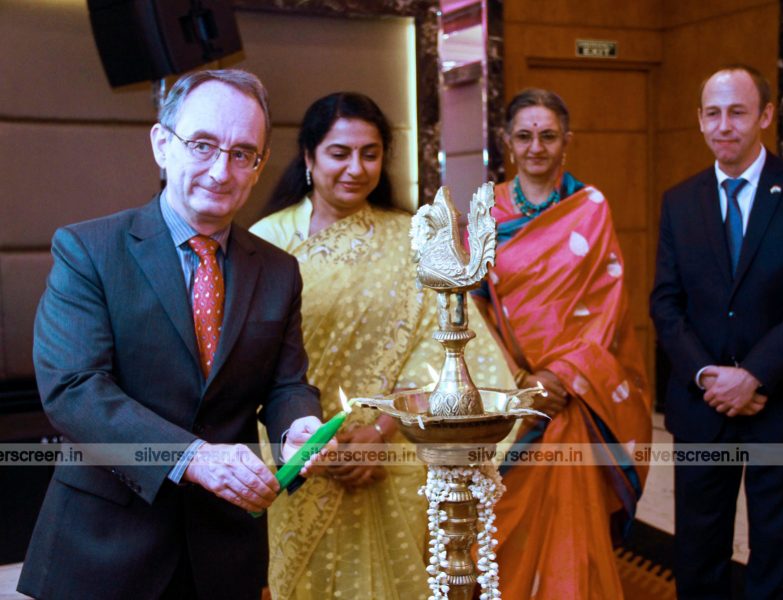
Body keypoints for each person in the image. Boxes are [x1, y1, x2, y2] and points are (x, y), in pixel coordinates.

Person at [18, 69, 323, 600]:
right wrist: (194, 457)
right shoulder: (89, 250)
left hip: (225, 550)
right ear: (162, 144)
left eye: (242, 153)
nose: (220, 170)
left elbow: (285, 384)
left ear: (259, 166)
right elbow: (74, 389)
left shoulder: (278, 270)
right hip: (105, 546)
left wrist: (297, 427)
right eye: (202, 145)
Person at [249, 92, 514, 600]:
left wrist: (383, 431)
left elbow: (451, 349)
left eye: (369, 153)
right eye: (339, 153)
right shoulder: (265, 242)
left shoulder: (413, 242)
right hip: (293, 457)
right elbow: (246, 363)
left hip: (392, 457)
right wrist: (305, 443)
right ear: (308, 157)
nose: (355, 168)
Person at [650, 65, 783, 599]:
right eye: (713, 113)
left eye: (737, 111)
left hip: (781, 409)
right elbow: (665, 303)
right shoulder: (679, 201)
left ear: (765, 115)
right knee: (697, 557)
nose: (724, 125)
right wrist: (709, 375)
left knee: (774, 563)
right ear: (700, 120)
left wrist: (754, 374)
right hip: (700, 406)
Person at [472, 88, 653, 599]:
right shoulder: (487, 214)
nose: (536, 147)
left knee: (573, 528)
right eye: (525, 136)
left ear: (566, 142)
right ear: (508, 143)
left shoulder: (589, 208)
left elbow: (608, 306)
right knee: (501, 524)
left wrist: (559, 378)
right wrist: (519, 382)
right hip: (513, 396)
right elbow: (476, 308)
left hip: (576, 393)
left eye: (548, 136)